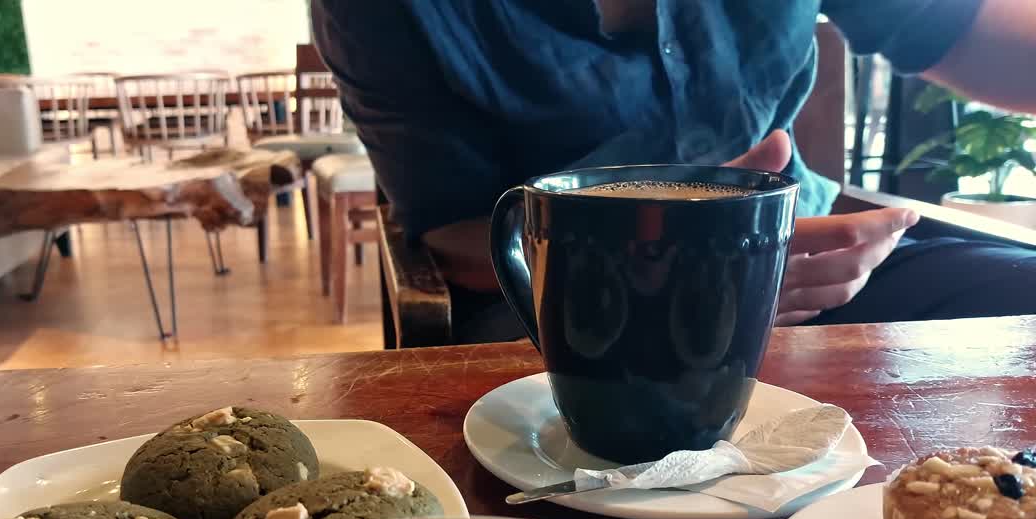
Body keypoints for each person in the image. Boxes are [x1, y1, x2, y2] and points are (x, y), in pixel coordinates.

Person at [310, 1, 1036, 343]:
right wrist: (666, 253)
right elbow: (448, 240)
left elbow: (976, 36)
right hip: (561, 303)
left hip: (821, 263)